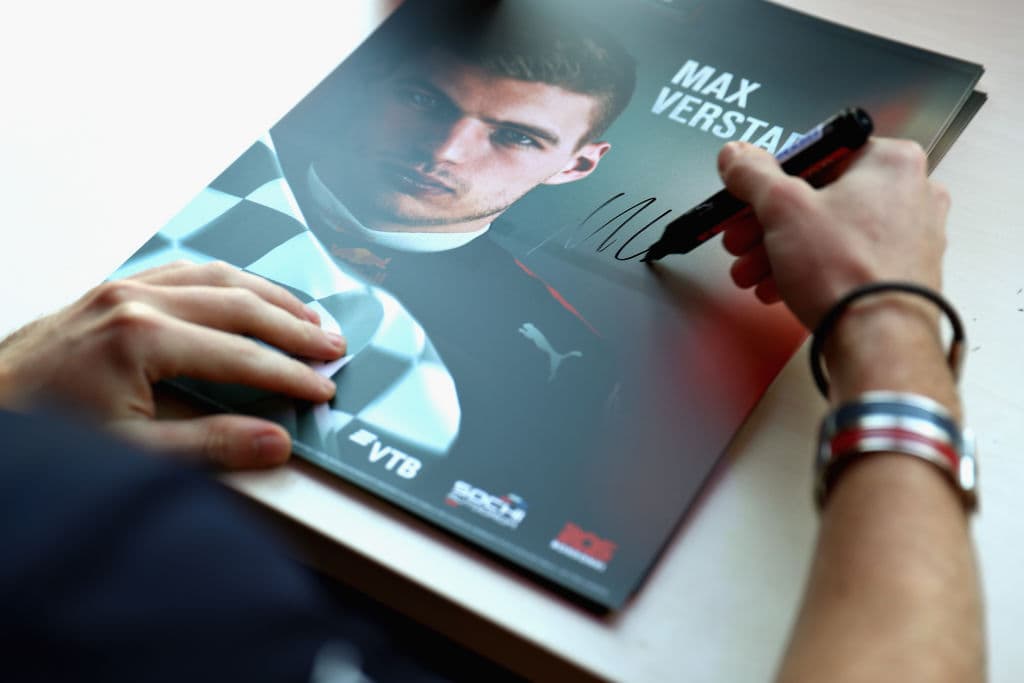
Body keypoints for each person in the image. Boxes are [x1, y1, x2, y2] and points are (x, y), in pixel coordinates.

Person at [0, 136, 984, 681]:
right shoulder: (119, 565)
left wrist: (12, 402)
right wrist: (892, 331)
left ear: (577, 158)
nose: (445, 150)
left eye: (513, 135)